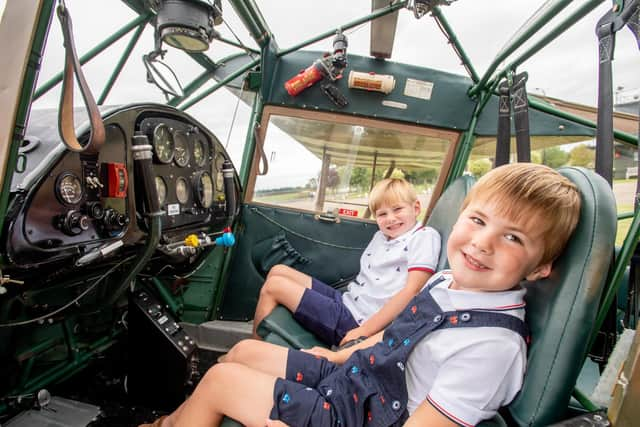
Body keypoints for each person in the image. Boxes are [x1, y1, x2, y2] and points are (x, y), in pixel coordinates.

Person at [141, 163, 582, 427]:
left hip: (359, 416)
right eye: (478, 221)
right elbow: (395, 337)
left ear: (541, 268)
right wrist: (336, 356)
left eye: (514, 238)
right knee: (241, 354)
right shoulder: (446, 285)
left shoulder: (491, 346)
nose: (483, 244)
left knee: (221, 381)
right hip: (356, 379)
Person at [252, 178, 441, 346]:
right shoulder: (381, 236)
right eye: (382, 214)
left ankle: (255, 348)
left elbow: (412, 291)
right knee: (279, 270)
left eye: (398, 209)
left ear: (416, 208)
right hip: (347, 301)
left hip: (357, 321)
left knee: (274, 286)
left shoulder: (424, 237)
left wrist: (363, 332)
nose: (390, 219)